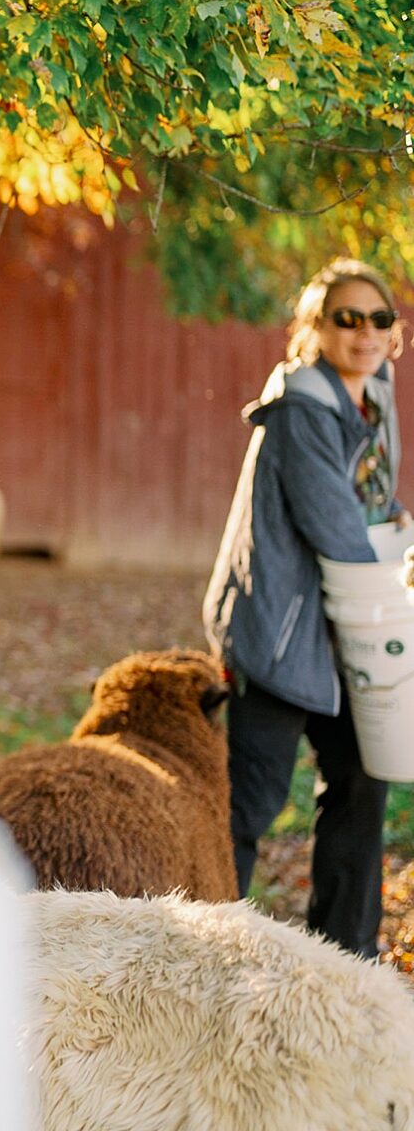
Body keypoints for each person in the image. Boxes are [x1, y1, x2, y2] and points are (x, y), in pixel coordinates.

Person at [203, 256, 411, 956]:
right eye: (344, 319)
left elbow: (375, 507)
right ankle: (207, 958)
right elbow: (336, 528)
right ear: (314, 328)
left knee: (360, 788)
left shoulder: (372, 397)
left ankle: (344, 966)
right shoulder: (301, 408)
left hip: (345, 627)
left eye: (377, 319)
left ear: (393, 331)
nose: (363, 332)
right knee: (246, 806)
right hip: (282, 632)